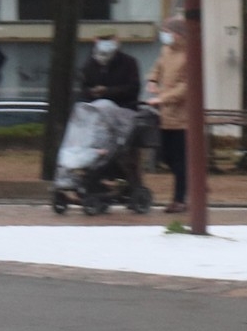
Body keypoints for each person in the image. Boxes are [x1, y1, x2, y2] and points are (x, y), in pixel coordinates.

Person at [148, 20, 191, 212]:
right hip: (165, 115)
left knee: (180, 159)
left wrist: (163, 98)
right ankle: (191, 182)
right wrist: (152, 79)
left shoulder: (189, 55)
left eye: (167, 32)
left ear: (178, 34)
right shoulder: (166, 51)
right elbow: (158, 67)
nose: (164, 35)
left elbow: (186, 87)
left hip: (182, 117)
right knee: (166, 156)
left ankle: (179, 199)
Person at [79, 36, 140, 110]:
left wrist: (108, 91)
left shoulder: (129, 62)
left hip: (123, 107)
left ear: (117, 41)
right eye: (102, 39)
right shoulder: (90, 64)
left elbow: (133, 89)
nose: (105, 43)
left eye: (109, 39)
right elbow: (84, 87)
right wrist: (92, 92)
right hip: (95, 108)